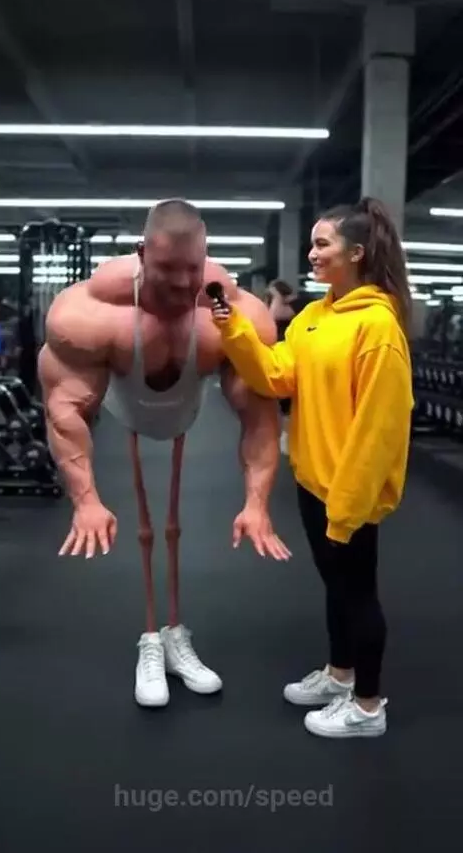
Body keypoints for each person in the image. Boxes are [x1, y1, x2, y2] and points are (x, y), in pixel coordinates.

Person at [37, 198, 290, 710]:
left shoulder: (235, 312)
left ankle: (177, 636)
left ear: (208, 255)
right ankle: (150, 640)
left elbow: (259, 413)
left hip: (185, 406)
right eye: (167, 269)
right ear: (140, 253)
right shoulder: (89, 313)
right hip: (128, 404)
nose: (181, 283)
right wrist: (85, 499)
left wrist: (257, 502)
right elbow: (64, 411)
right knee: (148, 523)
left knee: (172, 522)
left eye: (192, 269)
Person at [210, 197, 414, 739]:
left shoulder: (377, 327)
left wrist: (348, 505)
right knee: (334, 586)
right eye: (314, 243)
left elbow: (379, 429)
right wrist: (235, 333)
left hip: (349, 488)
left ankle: (368, 707)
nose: (312, 253)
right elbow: (277, 377)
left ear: (357, 253)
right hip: (311, 479)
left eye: (323, 244)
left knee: (358, 592)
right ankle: (340, 674)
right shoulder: (314, 317)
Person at [265, 279, 297, 454]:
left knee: (288, 401)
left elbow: (272, 318)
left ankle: (288, 435)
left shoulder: (293, 305)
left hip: (291, 356)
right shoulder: (274, 304)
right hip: (278, 354)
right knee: (281, 401)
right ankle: (286, 433)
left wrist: (276, 296)